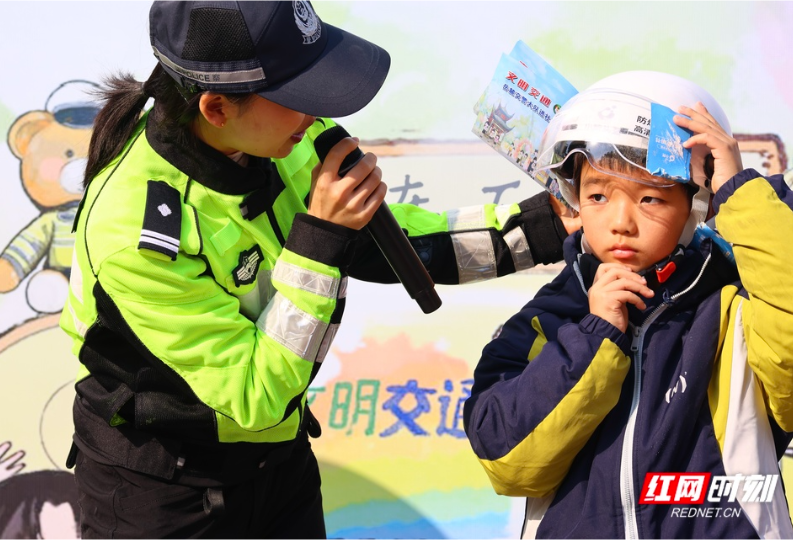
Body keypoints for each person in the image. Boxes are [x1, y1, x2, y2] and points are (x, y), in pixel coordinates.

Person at [59, 0, 578, 537]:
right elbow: (257, 395)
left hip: (278, 465)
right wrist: (321, 239)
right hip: (163, 492)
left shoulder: (277, 132)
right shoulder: (135, 235)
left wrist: (544, 226)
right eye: (297, 95)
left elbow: (388, 239)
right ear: (216, 108)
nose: (316, 114)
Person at [463, 70, 793, 539]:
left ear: (698, 204)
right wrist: (594, 337)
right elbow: (506, 461)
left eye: (651, 198)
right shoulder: (550, 316)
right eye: (597, 195)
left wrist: (740, 191)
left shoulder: (734, 305)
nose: (620, 222)